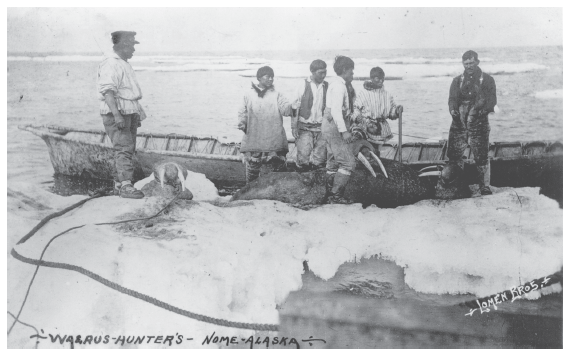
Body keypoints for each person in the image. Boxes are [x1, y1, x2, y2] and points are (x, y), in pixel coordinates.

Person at [97, 31, 146, 199]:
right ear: (123, 45)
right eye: (131, 45)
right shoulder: (111, 63)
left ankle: (119, 184)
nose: (133, 49)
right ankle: (126, 185)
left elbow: (129, 92)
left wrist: (136, 114)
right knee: (123, 148)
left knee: (127, 148)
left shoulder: (124, 63)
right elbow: (108, 91)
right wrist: (117, 115)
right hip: (117, 112)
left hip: (128, 111)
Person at [448, 50, 497, 196]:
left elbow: (492, 102)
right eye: (466, 63)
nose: (469, 66)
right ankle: (458, 185)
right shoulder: (457, 81)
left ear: (477, 62)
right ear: (463, 63)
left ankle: (485, 187)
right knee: (455, 154)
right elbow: (452, 100)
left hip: (479, 122)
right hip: (459, 122)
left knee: (481, 155)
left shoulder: (488, 80)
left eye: (471, 62)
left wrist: (479, 113)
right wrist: (452, 111)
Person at [238, 66, 293, 183]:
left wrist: (292, 107)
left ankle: (276, 188)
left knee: (277, 163)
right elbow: (242, 111)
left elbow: (286, 110)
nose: (271, 79)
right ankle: (250, 189)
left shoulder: (277, 94)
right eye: (268, 76)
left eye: (272, 77)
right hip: (255, 134)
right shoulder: (249, 95)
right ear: (259, 78)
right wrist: (242, 123)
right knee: (253, 164)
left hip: (273, 135)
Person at [321, 56, 357, 204]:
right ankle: (335, 196)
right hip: (334, 127)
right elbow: (336, 111)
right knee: (348, 163)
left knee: (333, 161)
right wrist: (344, 131)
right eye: (351, 72)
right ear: (344, 70)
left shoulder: (337, 84)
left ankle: (327, 192)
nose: (353, 75)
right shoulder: (339, 86)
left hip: (329, 125)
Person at [351, 67, 403, 151]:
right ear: (372, 79)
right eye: (377, 78)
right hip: (367, 126)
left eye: (382, 78)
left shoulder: (387, 95)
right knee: (367, 149)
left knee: (377, 150)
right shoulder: (364, 93)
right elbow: (355, 108)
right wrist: (358, 117)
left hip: (381, 129)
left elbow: (391, 113)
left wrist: (397, 111)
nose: (381, 81)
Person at [291, 59, 328, 172]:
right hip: (305, 127)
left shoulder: (326, 86)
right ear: (312, 71)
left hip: (322, 128)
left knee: (320, 159)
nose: (323, 75)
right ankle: (302, 182)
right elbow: (294, 106)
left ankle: (317, 184)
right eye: (320, 72)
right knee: (303, 157)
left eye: (325, 72)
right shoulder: (303, 84)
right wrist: (294, 126)